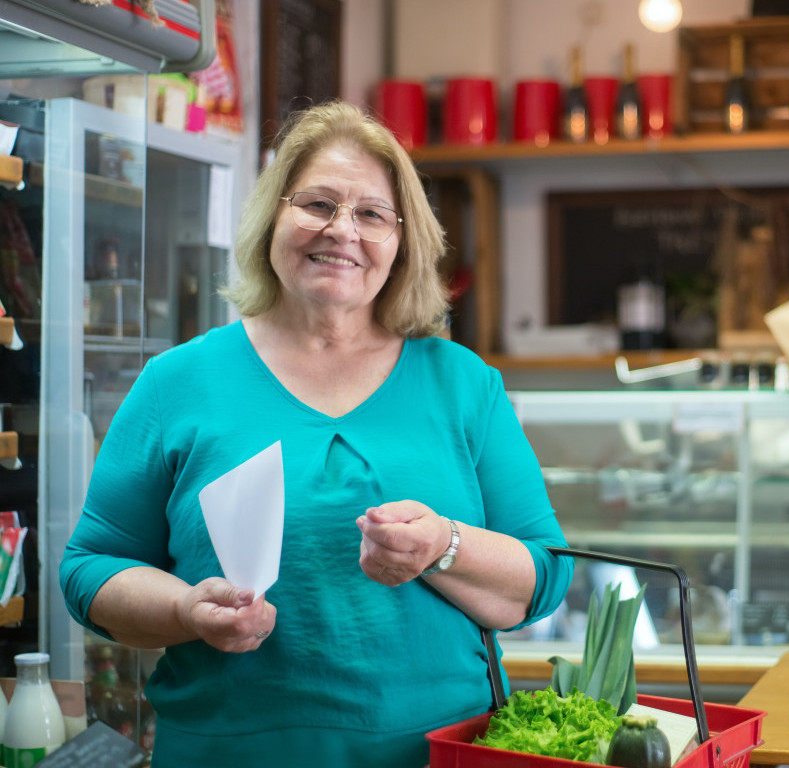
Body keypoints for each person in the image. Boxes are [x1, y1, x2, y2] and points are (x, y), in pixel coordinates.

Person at [59, 100, 574, 767]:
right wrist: (187, 610)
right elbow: (89, 569)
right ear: (273, 216)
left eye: (370, 213)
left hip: (439, 756)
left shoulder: (463, 384)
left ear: (402, 241)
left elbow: (545, 576)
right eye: (317, 204)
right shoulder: (178, 382)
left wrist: (443, 545)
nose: (342, 230)